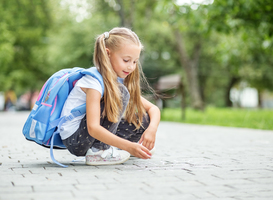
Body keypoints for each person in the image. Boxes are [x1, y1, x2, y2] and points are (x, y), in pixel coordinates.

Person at [60, 27, 160, 166]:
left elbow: (153, 109)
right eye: (126, 60)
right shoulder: (93, 81)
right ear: (108, 54)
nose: (131, 67)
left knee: (143, 120)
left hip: (88, 135)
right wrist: (128, 146)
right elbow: (93, 128)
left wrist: (152, 130)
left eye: (135, 61)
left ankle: (118, 147)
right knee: (121, 92)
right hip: (76, 139)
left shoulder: (116, 81)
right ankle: (98, 152)